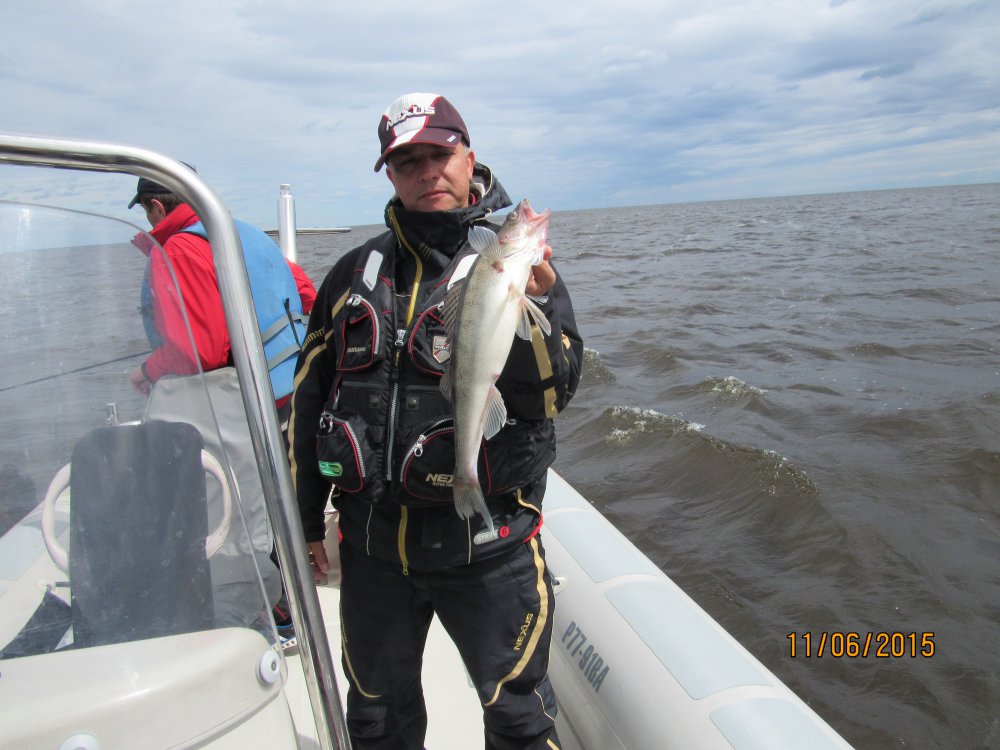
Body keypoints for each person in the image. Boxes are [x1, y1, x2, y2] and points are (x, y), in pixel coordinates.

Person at [288, 93, 583, 749]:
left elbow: (554, 394)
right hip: (372, 550)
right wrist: (306, 521)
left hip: (489, 547)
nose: (427, 172)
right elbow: (309, 403)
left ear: (469, 158)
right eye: (407, 163)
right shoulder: (351, 275)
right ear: (390, 176)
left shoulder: (523, 268)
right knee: (376, 718)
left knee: (519, 721)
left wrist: (531, 306)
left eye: (440, 155)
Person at [128, 175, 316, 630]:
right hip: (292, 387)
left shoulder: (178, 248)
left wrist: (149, 371)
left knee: (248, 504)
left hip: (245, 400)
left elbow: (202, 349)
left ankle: (276, 608)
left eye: (147, 212)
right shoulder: (243, 231)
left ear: (156, 206)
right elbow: (307, 295)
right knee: (283, 494)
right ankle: (296, 595)